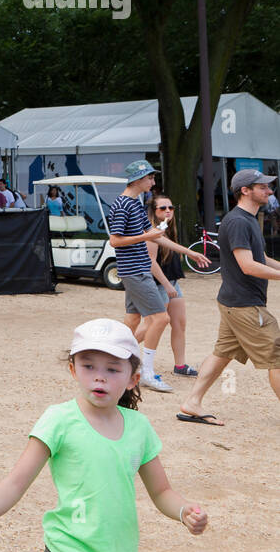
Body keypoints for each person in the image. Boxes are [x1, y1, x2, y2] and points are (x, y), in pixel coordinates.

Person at [0, 319, 208, 552]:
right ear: (73, 369)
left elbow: (161, 492)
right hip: (67, 551)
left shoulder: (139, 427)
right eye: (88, 366)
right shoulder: (59, 420)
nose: (100, 377)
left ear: (133, 379)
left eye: (112, 369)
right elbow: (15, 483)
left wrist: (184, 511)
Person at [178, 169, 280, 426]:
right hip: (245, 305)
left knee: (222, 353)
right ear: (245, 190)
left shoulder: (248, 220)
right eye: (263, 187)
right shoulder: (238, 222)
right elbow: (248, 265)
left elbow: (260, 259)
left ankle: (192, 402)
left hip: (235, 302)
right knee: (277, 357)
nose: (269, 191)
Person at [107, 160, 207, 392]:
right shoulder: (124, 205)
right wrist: (144, 237)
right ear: (138, 179)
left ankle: (115, 361)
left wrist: (189, 252)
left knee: (132, 321)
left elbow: (154, 236)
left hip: (137, 270)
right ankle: (147, 372)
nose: (153, 183)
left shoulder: (134, 203)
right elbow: (115, 240)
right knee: (161, 319)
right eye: (150, 178)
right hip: (135, 270)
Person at [146, 197, 195, 377]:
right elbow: (150, 262)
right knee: (152, 325)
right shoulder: (152, 233)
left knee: (179, 323)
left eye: (171, 207)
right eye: (162, 208)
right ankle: (117, 348)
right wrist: (166, 285)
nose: (168, 211)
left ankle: (180, 366)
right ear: (153, 211)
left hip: (173, 282)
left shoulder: (167, 230)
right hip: (159, 284)